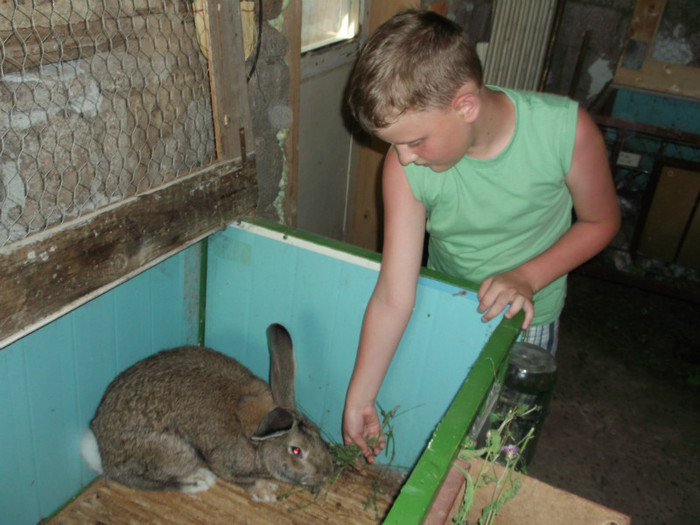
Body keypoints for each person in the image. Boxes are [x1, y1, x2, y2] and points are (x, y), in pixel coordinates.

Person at [342, 10, 621, 463]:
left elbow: (601, 221)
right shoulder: (403, 166)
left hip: (528, 323)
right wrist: (360, 397)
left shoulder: (565, 132)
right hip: (452, 313)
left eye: (415, 141)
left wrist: (528, 276)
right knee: (450, 438)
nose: (405, 158)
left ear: (465, 106)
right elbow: (394, 295)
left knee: (500, 453)